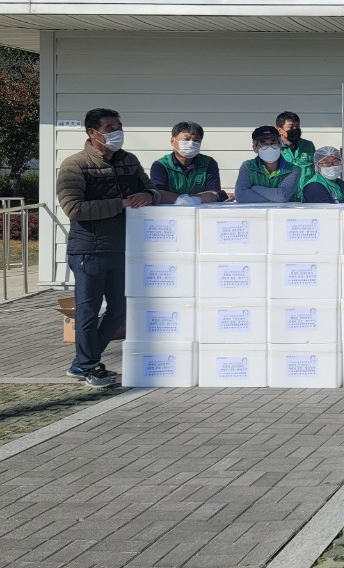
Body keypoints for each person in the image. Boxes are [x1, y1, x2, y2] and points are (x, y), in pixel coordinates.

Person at [57, 107, 158, 388]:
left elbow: (151, 188)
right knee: (88, 312)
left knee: (119, 310)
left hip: (122, 248)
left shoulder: (129, 160)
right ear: (93, 133)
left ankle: (82, 362)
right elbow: (74, 208)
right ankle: (89, 365)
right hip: (88, 250)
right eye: (110, 128)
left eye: (119, 127)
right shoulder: (74, 165)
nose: (117, 133)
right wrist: (121, 203)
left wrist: (147, 196)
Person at [150, 121, 226, 205]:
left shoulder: (209, 163)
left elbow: (213, 195)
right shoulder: (161, 165)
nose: (191, 144)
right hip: (169, 212)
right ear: (172, 141)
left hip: (201, 211)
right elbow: (159, 195)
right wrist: (199, 197)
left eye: (196, 140)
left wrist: (174, 197)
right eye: (186, 139)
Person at [235, 125, 303, 204]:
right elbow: (240, 196)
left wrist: (255, 188)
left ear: (280, 145)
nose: (269, 146)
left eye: (273, 142)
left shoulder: (293, 169)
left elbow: (282, 196)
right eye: (263, 143)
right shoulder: (248, 166)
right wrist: (275, 197)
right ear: (255, 148)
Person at [276, 111, 315, 198]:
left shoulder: (308, 146)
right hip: (284, 199)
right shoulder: (274, 149)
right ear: (280, 130)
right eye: (290, 127)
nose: (295, 129)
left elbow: (317, 170)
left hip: (307, 197)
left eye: (297, 126)